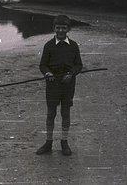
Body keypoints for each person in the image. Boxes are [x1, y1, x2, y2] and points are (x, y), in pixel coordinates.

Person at [36, 15, 83, 156]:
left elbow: (79, 65)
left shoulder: (73, 45)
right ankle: (48, 142)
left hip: (68, 85)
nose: (61, 30)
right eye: (58, 27)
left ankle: (64, 142)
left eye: (63, 27)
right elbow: (43, 65)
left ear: (68, 29)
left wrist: (71, 74)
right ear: (54, 28)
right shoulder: (48, 45)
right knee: (51, 114)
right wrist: (48, 73)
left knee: (65, 113)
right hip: (52, 85)